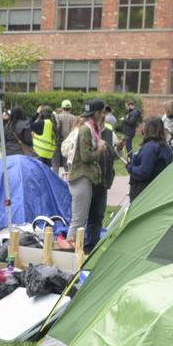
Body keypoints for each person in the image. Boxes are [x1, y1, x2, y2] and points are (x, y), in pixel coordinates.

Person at [60, 101, 111, 255]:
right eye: (102, 112)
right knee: (78, 220)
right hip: (80, 177)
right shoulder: (85, 130)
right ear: (95, 113)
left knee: (80, 220)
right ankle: (69, 256)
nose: (103, 115)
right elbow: (86, 156)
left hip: (85, 178)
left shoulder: (92, 129)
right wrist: (100, 148)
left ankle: (74, 253)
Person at [126, 115, 173, 200]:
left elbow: (144, 172)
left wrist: (130, 167)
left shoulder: (150, 147)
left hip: (144, 193)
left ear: (148, 129)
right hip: (159, 192)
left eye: (144, 127)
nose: (142, 130)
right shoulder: (167, 148)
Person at [30, 105, 60, 170]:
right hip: (48, 153)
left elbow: (29, 124)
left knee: (39, 173)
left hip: (39, 152)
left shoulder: (42, 123)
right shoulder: (52, 123)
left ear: (42, 113)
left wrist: (36, 113)